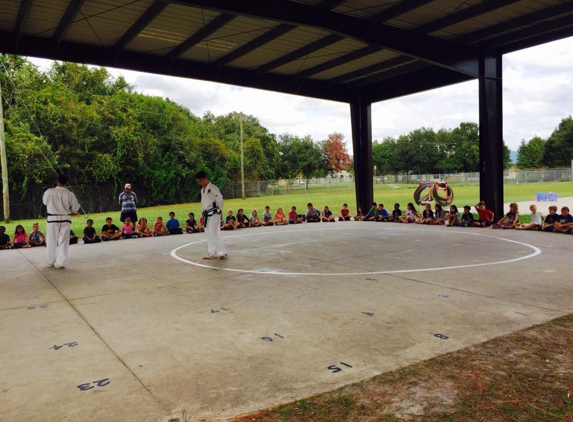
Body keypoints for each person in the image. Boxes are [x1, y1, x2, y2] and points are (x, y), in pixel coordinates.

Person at [43, 174, 81, 268]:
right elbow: (75, 208)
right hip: (65, 219)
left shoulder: (49, 192)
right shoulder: (70, 194)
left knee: (51, 240)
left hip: (52, 219)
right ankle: (60, 263)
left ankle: (51, 261)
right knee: (63, 241)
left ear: (57, 181)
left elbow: (44, 203)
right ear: (67, 182)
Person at [196, 171, 227, 259]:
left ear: (205, 179)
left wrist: (220, 211)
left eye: (200, 181)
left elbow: (220, 200)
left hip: (214, 212)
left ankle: (222, 252)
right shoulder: (202, 190)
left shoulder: (213, 188)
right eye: (198, 181)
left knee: (213, 232)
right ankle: (212, 252)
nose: (199, 183)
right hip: (206, 213)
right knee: (208, 233)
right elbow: (204, 203)